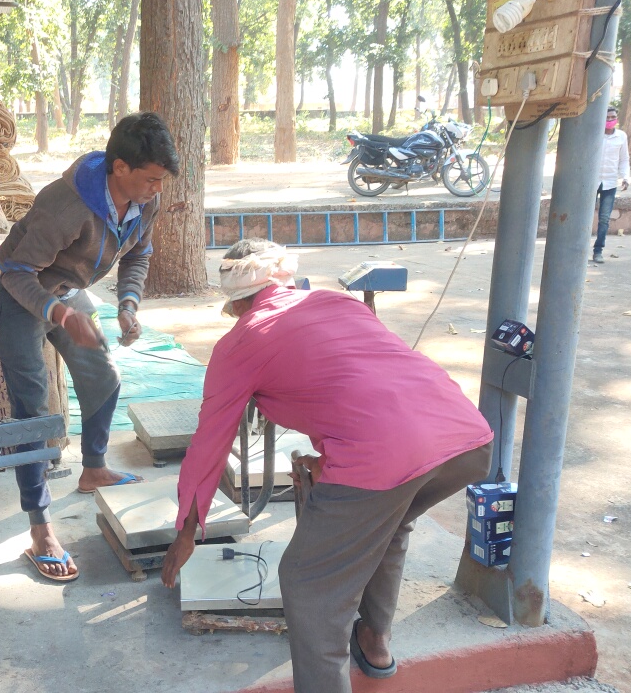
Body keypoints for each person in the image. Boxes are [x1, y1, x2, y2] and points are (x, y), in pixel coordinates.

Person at [160, 240, 494, 693]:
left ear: (236, 302)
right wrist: (334, 458)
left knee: (308, 582)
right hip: (465, 441)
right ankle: (375, 642)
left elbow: (208, 445)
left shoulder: (241, 341)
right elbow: (364, 385)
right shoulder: (336, 302)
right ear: (288, 281)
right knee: (388, 523)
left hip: (385, 456)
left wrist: (186, 530)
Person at [0, 112, 179, 581]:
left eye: (161, 180)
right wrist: (61, 315)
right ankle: (40, 528)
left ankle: (93, 468)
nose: (158, 188)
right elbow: (15, 270)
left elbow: (139, 252)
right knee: (34, 413)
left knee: (103, 377)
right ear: (120, 168)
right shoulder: (66, 206)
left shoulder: (144, 199)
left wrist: (128, 304)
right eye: (151, 179)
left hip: (68, 289)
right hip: (21, 293)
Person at [593, 105, 630, 264]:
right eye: (606, 118)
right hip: (592, 182)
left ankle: (598, 251)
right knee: (585, 217)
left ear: (616, 118)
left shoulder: (621, 136)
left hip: (609, 182)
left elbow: (624, 159)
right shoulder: (594, 135)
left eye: (612, 117)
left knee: (604, 219)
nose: (609, 120)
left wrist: (625, 177)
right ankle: (578, 249)